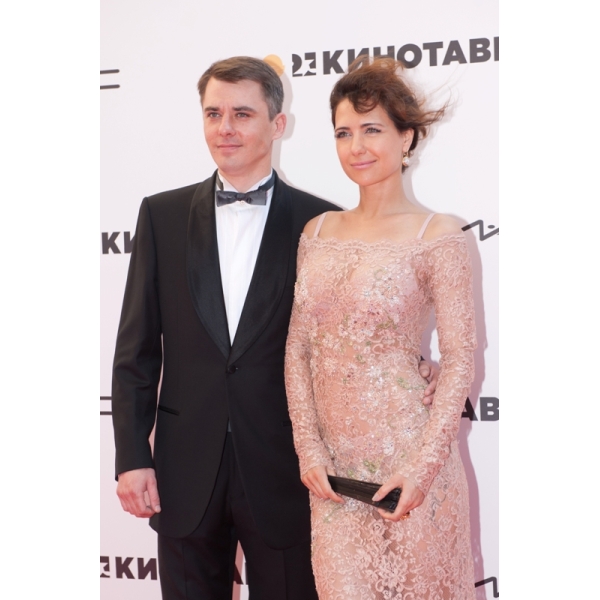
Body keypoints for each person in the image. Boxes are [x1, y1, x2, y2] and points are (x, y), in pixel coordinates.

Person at [111, 56, 438, 600]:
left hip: (287, 471)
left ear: (278, 123)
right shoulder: (160, 216)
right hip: (182, 469)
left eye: (242, 114)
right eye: (213, 113)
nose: (225, 128)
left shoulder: (324, 225)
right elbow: (136, 352)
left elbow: (354, 333)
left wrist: (418, 367)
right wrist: (131, 458)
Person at [285, 57, 477, 600]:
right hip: (333, 480)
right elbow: (298, 348)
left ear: (406, 137)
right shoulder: (317, 232)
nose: (356, 147)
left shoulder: (438, 234)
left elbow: (460, 357)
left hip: (412, 467)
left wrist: (422, 469)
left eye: (371, 129)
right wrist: (308, 449)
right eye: (343, 133)